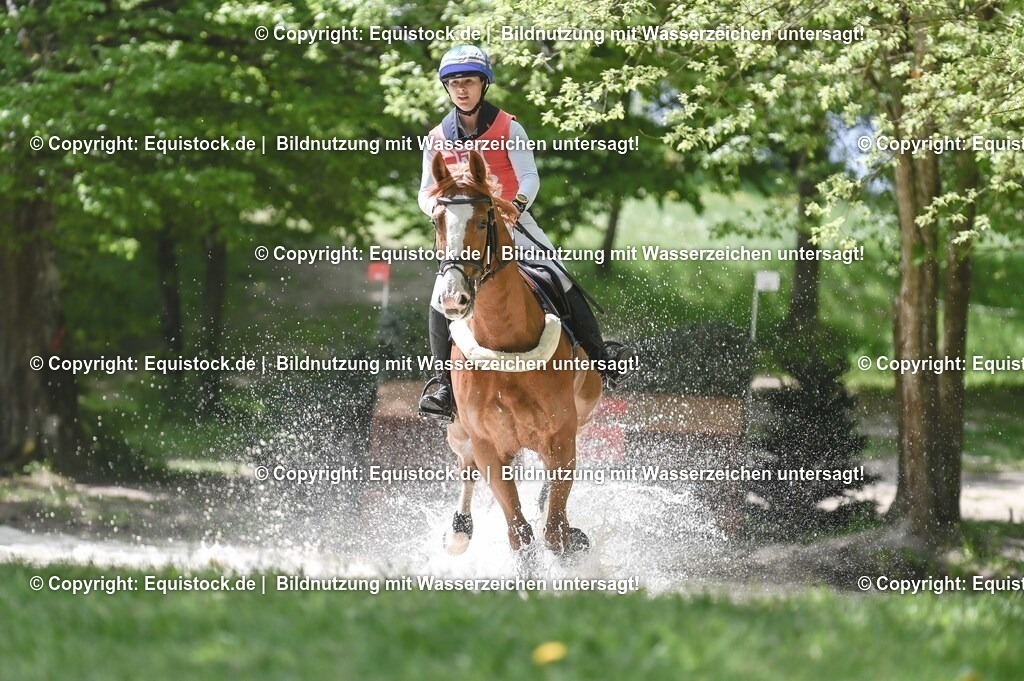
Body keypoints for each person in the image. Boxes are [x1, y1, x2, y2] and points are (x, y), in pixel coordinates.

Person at [417, 45, 634, 421]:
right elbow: (424, 191)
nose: (461, 90)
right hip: (464, 233)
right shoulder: (436, 136)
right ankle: (443, 385)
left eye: (468, 82)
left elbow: (530, 176)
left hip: (511, 223)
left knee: (559, 276)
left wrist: (516, 205)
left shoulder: (508, 127)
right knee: (440, 299)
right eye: (454, 84)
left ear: (483, 85)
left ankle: (600, 358)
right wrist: (434, 208)